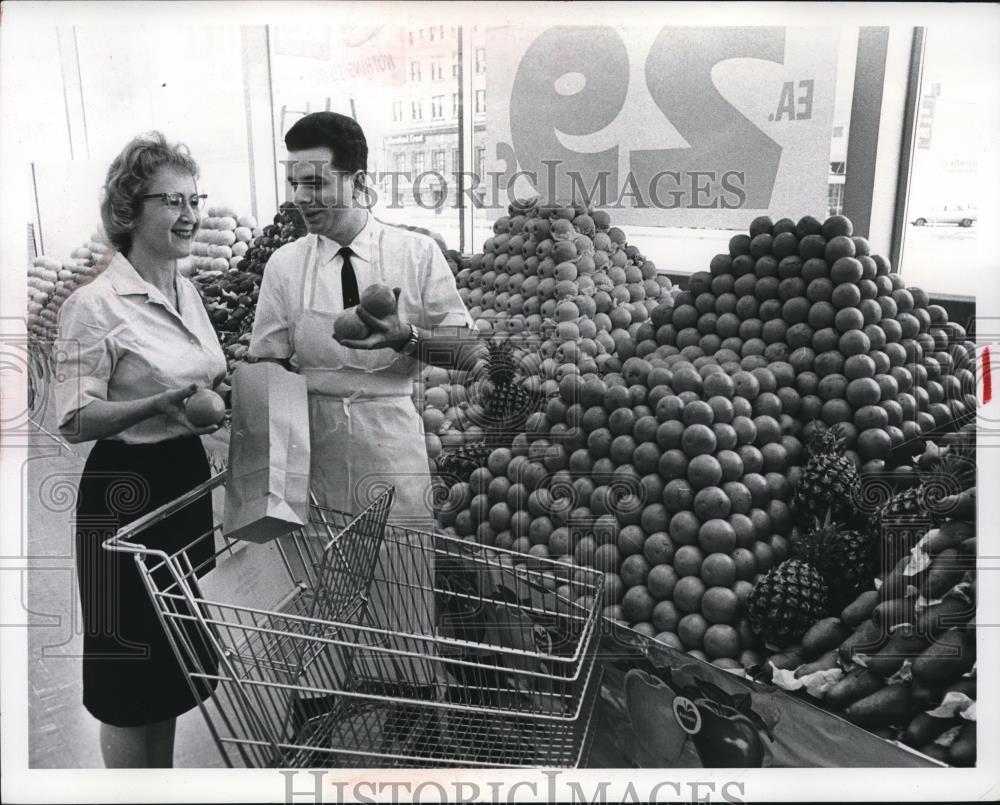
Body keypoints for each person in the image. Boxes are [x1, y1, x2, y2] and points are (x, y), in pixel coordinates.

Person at [247, 112, 482, 740]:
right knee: (321, 600)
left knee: (402, 595)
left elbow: (468, 353)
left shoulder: (414, 253)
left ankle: (411, 734)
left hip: (390, 440)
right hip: (312, 451)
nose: (304, 199)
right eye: (295, 182)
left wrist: (406, 336)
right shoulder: (284, 268)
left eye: (318, 183)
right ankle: (313, 738)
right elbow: (266, 363)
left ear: (358, 180)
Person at [54, 132, 227, 768]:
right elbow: (72, 419)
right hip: (125, 495)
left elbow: (199, 378)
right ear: (129, 211)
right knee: (129, 682)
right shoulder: (93, 306)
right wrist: (155, 405)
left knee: (170, 672)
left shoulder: (189, 291)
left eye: (195, 199)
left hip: (181, 486)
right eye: (172, 202)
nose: (191, 215)